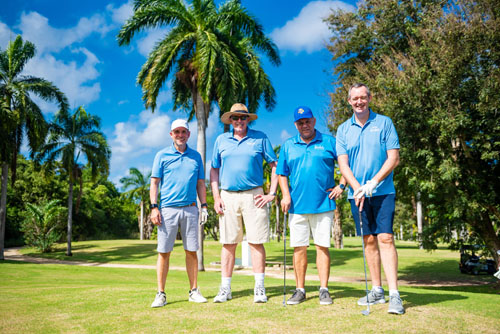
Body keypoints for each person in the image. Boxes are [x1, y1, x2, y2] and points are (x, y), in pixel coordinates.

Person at [336, 83, 404, 315]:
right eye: (355, 99)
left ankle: (394, 294)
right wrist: (357, 188)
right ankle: (377, 290)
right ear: (349, 101)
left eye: (363, 98)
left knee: (385, 237)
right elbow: (343, 163)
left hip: (383, 191)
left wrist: (372, 183)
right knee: (369, 241)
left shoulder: (384, 123)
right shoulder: (343, 129)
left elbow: (393, 157)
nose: (359, 102)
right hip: (357, 194)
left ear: (369, 98)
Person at [210, 103, 278, 303]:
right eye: (235, 118)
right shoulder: (221, 140)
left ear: (248, 119)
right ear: (230, 120)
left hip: (254, 195)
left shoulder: (260, 137)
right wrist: (216, 197)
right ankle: (225, 289)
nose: (239, 121)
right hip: (228, 196)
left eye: (242, 117)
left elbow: (275, 165)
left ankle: (259, 288)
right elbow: (214, 170)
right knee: (228, 243)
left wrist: (271, 193)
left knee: (256, 242)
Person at [277, 106, 346, 305]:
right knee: (299, 248)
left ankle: (324, 289)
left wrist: (341, 185)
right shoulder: (288, 145)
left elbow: (345, 165)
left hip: (323, 204)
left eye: (307, 121)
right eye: (300, 122)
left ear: (314, 121)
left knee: (322, 246)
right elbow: (282, 174)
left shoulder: (329, 142)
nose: (304, 125)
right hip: (296, 206)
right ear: (295, 125)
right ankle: (300, 290)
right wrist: (285, 196)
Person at [149, 119, 209, 308]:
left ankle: (193, 291)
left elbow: (200, 184)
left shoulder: (196, 156)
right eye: (177, 132)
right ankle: (160, 294)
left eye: (184, 132)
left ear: (188, 134)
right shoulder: (162, 155)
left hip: (191, 208)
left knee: (191, 251)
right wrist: (154, 207)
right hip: (167, 209)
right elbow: (154, 183)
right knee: (164, 252)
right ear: (171, 134)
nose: (180, 135)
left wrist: (204, 206)